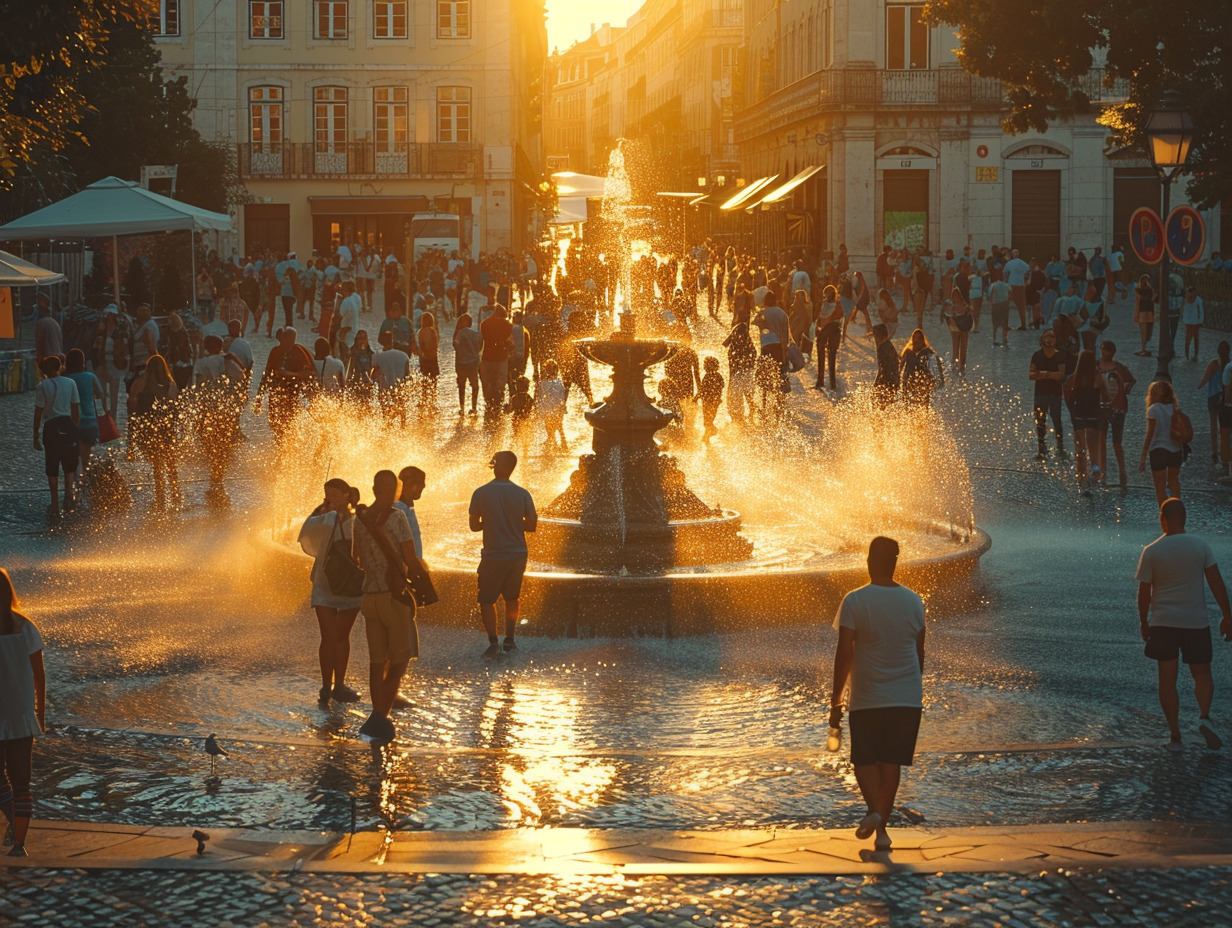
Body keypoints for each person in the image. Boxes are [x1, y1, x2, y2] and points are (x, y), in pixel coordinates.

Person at [830, 536, 926, 851]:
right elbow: (919, 654)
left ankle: (874, 812)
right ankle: (881, 830)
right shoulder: (914, 601)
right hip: (907, 696)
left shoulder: (855, 601)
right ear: (894, 563)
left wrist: (835, 702)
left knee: (864, 760)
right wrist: (909, 688)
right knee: (890, 763)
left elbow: (844, 654)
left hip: (869, 696)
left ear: (869, 562)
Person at [1136, 498, 1232, 752]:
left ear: (1162, 519)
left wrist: (1144, 622)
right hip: (1195, 621)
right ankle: (1203, 716)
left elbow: (1144, 592)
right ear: (1185, 518)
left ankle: (1175, 737)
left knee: (1167, 680)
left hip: (1163, 623)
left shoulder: (1152, 550)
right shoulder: (1200, 546)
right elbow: (1216, 582)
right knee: (1202, 674)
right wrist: (1227, 616)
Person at [353, 470, 420, 744]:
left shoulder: (361, 520)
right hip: (394, 596)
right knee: (400, 660)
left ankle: (376, 713)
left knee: (377, 660)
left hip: (370, 596)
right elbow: (410, 558)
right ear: (395, 491)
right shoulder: (398, 516)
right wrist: (422, 583)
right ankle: (380, 715)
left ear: (372, 487)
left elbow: (356, 558)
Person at [298, 479, 364, 705]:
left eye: (335, 495)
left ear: (347, 495)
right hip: (340, 583)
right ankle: (331, 686)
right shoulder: (352, 519)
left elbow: (306, 539)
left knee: (339, 637)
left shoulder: (327, 519)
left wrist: (320, 511)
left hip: (331, 581)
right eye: (328, 495)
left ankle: (334, 686)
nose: (330, 499)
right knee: (330, 637)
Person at [469, 450, 537, 658]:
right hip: (517, 554)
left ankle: (492, 643)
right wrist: (514, 522)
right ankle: (510, 640)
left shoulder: (480, 493)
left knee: (487, 599)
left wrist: (491, 521)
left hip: (493, 554)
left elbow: (473, 525)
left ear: (494, 465)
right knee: (512, 597)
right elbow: (532, 525)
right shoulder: (523, 493)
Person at [0, 568, 45, 858]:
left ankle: (14, 824)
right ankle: (19, 843)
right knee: (21, 781)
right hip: (21, 714)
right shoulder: (26, 627)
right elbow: (39, 675)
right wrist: (41, 713)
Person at [127, 354, 181, 511]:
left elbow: (131, 408)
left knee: (157, 465)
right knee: (171, 464)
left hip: (148, 430)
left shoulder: (140, 383)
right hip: (166, 429)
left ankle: (160, 499)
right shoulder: (170, 384)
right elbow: (174, 406)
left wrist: (132, 437)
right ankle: (176, 495)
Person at [32, 355, 81, 517]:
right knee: (69, 465)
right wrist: (75, 428)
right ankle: (69, 497)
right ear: (60, 367)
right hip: (68, 425)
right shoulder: (70, 383)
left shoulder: (42, 386)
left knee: (52, 466)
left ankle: (54, 504)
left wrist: (35, 436)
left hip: (52, 426)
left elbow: (38, 413)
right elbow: (75, 409)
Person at [1063, 349, 1112, 495]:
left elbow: (1066, 391)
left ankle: (1081, 478)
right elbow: (1107, 397)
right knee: (1093, 447)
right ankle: (1095, 469)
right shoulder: (1097, 378)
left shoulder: (1074, 377)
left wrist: (1071, 406)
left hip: (1078, 414)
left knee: (1080, 449)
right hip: (1092, 415)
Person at [1095, 340, 1136, 489]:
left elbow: (1131, 381)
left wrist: (1125, 388)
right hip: (1100, 408)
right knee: (1102, 441)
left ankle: (1122, 472)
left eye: (1105, 350)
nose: (1103, 352)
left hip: (1118, 408)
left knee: (1117, 443)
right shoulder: (1095, 366)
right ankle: (1103, 471)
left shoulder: (1119, 368)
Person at [1139, 380, 1186, 504]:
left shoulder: (1153, 409)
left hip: (1158, 450)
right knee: (1174, 483)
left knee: (1160, 491)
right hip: (1175, 450)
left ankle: (1164, 518)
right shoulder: (1174, 408)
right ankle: (1178, 514)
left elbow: (1150, 434)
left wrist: (1143, 455)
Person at [63, 349, 103, 494]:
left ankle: (73, 488)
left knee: (73, 457)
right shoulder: (90, 376)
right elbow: (101, 393)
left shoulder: (67, 378)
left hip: (72, 421)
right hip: (90, 420)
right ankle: (85, 486)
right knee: (86, 457)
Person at [1029, 330, 1070, 460]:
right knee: (1040, 421)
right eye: (1046, 336)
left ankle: (1060, 447)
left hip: (1055, 393)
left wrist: (1044, 374)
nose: (1049, 339)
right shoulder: (1036, 356)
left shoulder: (1060, 356)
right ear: (1041, 340)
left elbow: (1061, 375)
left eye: (1051, 336)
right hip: (1040, 393)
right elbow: (1031, 375)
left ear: (1055, 340)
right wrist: (1051, 375)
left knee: (1056, 419)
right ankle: (1041, 448)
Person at [1199, 342, 1231, 466]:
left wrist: (1198, 386)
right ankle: (1226, 453)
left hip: (1213, 397)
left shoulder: (1213, 364)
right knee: (1225, 429)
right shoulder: (1229, 365)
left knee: (1213, 426)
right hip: (1225, 399)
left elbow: (1203, 381)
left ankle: (1214, 451)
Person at [479, 304, 514, 416]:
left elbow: (483, 339)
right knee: (500, 383)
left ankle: (489, 404)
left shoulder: (484, 324)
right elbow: (508, 341)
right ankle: (498, 405)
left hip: (487, 357)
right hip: (501, 358)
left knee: (487, 382)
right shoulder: (507, 324)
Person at [898, 329, 943, 408]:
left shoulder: (926, 351)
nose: (917, 341)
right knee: (910, 403)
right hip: (910, 380)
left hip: (922, 380)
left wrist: (939, 379)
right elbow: (900, 366)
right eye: (916, 339)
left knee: (922, 402)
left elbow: (936, 364)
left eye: (919, 339)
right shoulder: (908, 352)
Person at [814, 287, 844, 393]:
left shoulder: (831, 304)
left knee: (822, 355)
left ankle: (821, 381)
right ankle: (832, 384)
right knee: (831, 357)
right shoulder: (838, 303)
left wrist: (820, 325)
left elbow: (825, 317)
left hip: (828, 329)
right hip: (835, 330)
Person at [453, 312, 482, 416]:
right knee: (475, 386)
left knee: (461, 386)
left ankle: (462, 408)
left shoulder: (458, 334)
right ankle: (474, 408)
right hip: (473, 363)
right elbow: (480, 346)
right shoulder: (476, 333)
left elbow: (455, 345)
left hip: (461, 363)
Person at [535, 359, 567, 451]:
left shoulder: (546, 382)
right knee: (556, 425)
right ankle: (557, 441)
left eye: (549, 368)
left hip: (551, 408)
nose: (547, 370)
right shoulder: (557, 382)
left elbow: (541, 396)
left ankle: (556, 441)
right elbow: (562, 396)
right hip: (553, 408)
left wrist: (539, 407)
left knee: (554, 425)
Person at [941, 289, 972, 375]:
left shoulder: (952, 305)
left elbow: (949, 315)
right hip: (964, 327)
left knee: (955, 346)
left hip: (955, 327)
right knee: (963, 346)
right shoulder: (965, 305)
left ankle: (954, 363)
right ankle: (961, 365)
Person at [699, 355, 724, 444]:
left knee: (707, 420)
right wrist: (718, 398)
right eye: (705, 365)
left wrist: (697, 397)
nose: (704, 367)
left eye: (706, 365)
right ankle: (707, 437)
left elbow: (702, 389)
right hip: (713, 401)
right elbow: (721, 387)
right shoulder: (718, 376)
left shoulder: (708, 376)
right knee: (709, 419)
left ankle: (712, 432)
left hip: (708, 401)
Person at [872, 324, 899, 407]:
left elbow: (883, 369)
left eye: (876, 335)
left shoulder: (883, 348)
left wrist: (877, 384)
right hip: (893, 380)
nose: (875, 338)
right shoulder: (888, 345)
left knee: (880, 405)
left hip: (887, 381)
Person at [33, 294, 63, 364]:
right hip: (57, 359)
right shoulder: (55, 323)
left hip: (48, 360)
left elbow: (39, 343)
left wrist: (39, 359)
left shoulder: (41, 323)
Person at [987, 275, 1012, 348]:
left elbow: (991, 295)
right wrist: (1008, 301)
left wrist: (992, 303)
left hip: (996, 305)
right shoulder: (1007, 285)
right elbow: (1010, 293)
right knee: (1005, 323)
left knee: (995, 323)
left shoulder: (994, 285)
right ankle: (1004, 339)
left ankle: (994, 339)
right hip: (1004, 305)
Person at [1181, 287, 1205, 362]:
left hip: (1196, 322)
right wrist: (1185, 320)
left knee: (1196, 339)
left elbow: (1201, 311)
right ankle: (1186, 355)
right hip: (1188, 322)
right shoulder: (1186, 301)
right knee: (1187, 339)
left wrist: (1200, 320)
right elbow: (1184, 311)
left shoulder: (1198, 300)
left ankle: (1195, 355)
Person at [1134, 276, 1155, 356]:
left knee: (1145, 332)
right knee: (1145, 332)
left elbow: (1148, 299)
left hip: (1144, 312)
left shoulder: (1142, 290)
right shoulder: (1141, 290)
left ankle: (1143, 349)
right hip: (1145, 311)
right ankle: (1143, 348)